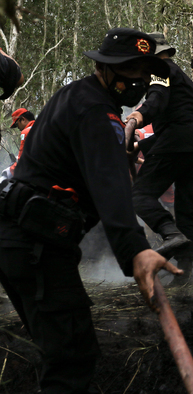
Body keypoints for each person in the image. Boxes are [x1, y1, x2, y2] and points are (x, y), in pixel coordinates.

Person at [0, 28, 183, 393]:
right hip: (36, 246)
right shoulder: (98, 112)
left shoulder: (74, 96)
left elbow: (78, 165)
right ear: (106, 68)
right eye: (129, 69)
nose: (137, 80)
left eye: (143, 72)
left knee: (59, 349)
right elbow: (110, 188)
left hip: (18, 239)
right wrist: (136, 253)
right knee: (72, 358)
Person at [126, 32, 193, 282]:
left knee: (139, 196)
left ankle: (171, 235)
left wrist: (137, 117)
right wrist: (141, 145)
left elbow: (157, 99)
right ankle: (184, 274)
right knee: (186, 208)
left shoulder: (160, 69)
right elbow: (181, 123)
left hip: (176, 145)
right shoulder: (182, 77)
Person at [9, 108, 35, 173]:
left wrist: (12, 168)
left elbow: (22, 161)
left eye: (17, 124)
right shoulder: (44, 127)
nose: (18, 128)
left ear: (23, 119)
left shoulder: (25, 132)